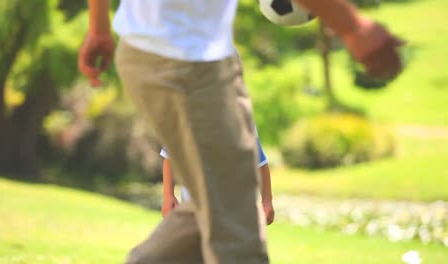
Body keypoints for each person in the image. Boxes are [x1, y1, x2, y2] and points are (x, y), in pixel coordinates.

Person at [78, 0, 403, 263]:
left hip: (197, 57)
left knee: (222, 203)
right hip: (176, 61)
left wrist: (100, 27)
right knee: (238, 230)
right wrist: (354, 27)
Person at [160, 130, 274, 226]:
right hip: (193, 209)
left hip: (233, 211)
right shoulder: (186, 111)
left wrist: (267, 200)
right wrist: (168, 195)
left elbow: (260, 162)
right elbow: (170, 155)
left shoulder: (237, 113)